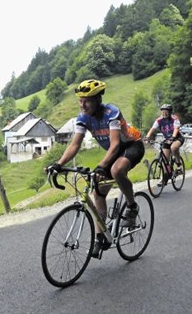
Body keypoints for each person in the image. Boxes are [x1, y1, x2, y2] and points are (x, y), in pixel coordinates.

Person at [46, 79, 145, 258]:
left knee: (116, 170)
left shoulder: (111, 113)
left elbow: (115, 144)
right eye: (80, 100)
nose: (83, 105)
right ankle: (101, 237)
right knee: (98, 192)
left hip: (132, 145)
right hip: (114, 153)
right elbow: (75, 145)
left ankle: (132, 207)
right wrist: (59, 164)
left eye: (87, 101)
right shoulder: (82, 118)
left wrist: (100, 166)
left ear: (98, 100)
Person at [145, 103, 185, 180]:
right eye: (163, 112)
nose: (164, 113)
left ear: (169, 112)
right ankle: (167, 176)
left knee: (173, 147)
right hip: (167, 139)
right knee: (165, 160)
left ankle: (179, 165)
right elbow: (152, 129)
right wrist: (147, 137)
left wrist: (172, 137)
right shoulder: (159, 120)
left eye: (166, 112)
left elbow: (176, 129)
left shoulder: (174, 119)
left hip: (177, 138)